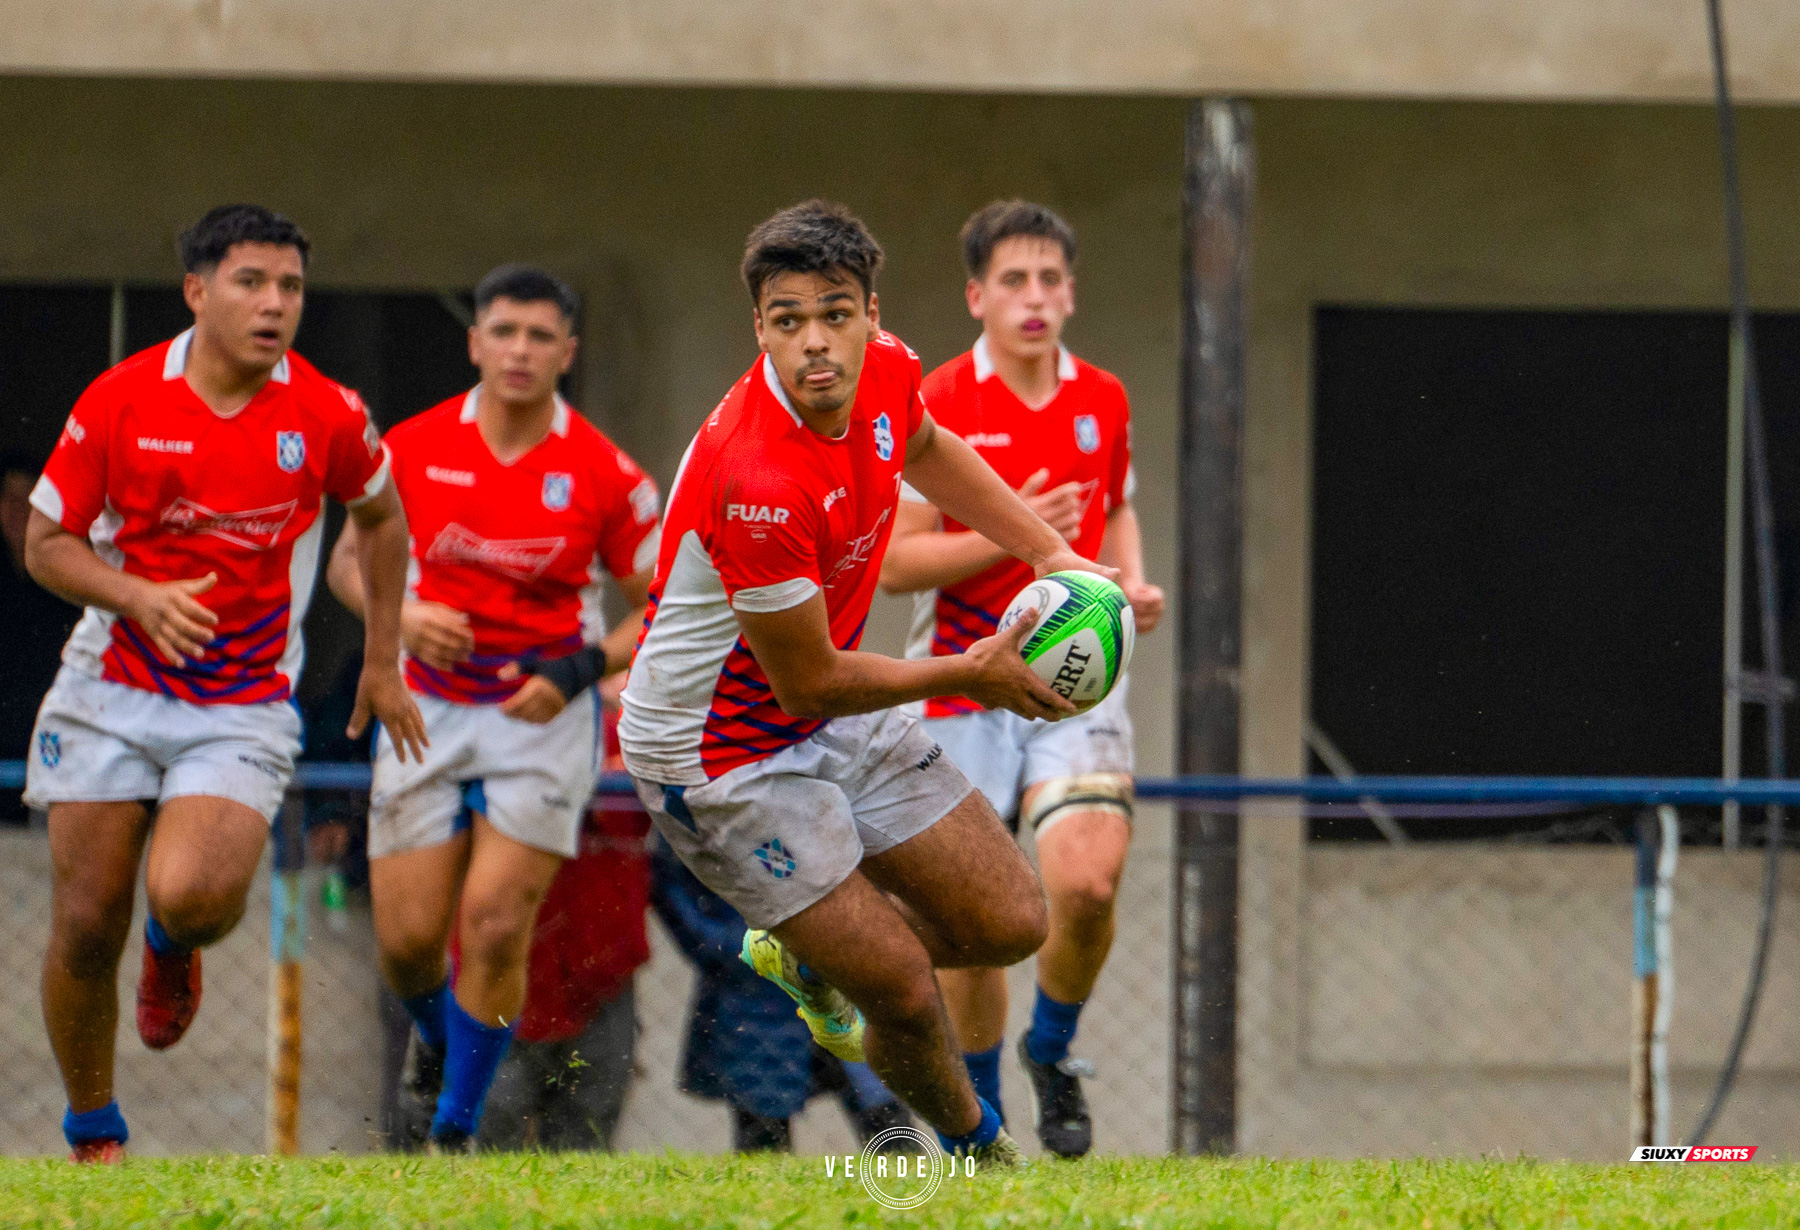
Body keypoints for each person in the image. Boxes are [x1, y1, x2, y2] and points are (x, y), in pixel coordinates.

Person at [618, 199, 1114, 1165]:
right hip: (717, 757)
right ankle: (983, 1154)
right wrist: (974, 674)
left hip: (834, 704)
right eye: (789, 318)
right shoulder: (754, 475)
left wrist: (1056, 554)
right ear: (758, 326)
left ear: (872, 316)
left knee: (1013, 922)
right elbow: (807, 683)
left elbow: (929, 447)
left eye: (836, 313)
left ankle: (809, 949)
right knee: (899, 990)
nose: (816, 343)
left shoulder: (890, 373)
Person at [23, 204, 426, 1164]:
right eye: (252, 282)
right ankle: (94, 1134)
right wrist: (134, 595)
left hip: (239, 702)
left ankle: (174, 945)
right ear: (197, 291)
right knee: (84, 923)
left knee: (197, 896)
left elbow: (384, 519)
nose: (275, 303)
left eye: (290, 286)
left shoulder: (326, 412)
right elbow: (45, 543)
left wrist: (380, 659)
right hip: (107, 686)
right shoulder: (119, 399)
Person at [327, 264, 658, 1153]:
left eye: (540, 336)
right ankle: (438, 1046)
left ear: (567, 353)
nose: (519, 351)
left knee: (496, 922)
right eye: (503, 332)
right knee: (406, 944)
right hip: (424, 709)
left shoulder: (605, 472)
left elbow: (668, 603)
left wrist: (581, 667)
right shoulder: (411, 445)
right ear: (474, 342)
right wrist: (399, 618)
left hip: (540, 722)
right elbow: (347, 567)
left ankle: (454, 1129)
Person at [878, 200, 1165, 1158]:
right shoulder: (938, 398)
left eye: (1050, 279)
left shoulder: (1106, 399)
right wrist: (1016, 524)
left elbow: (1116, 514)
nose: (1034, 298)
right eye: (1014, 280)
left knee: (1084, 887)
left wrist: (1128, 586)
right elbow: (897, 565)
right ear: (976, 296)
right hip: (963, 681)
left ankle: (1053, 1051)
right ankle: (987, 1129)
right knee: (976, 922)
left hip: (1079, 687)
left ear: (1071, 292)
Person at [650, 831, 912, 1153]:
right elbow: (671, 884)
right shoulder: (701, 801)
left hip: (843, 984)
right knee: (763, 1139)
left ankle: (917, 1197)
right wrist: (733, 951)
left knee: (890, 1123)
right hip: (754, 1002)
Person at [1, 451, 79, 824]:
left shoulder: (73, 581)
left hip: (58, 755)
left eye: (26, 499)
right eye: (7, 498)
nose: (16, 510)